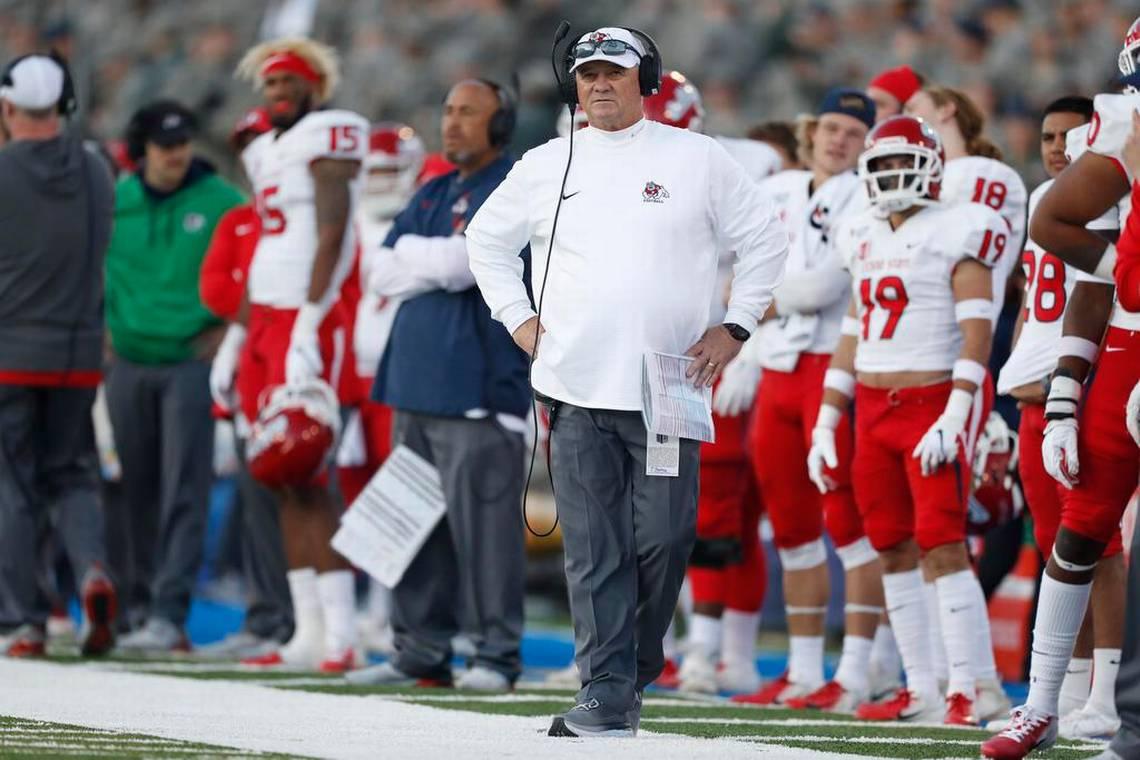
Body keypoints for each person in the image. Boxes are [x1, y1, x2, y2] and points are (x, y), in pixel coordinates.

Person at [466, 25, 789, 736]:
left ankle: (634, 662)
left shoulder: (697, 157)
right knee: (594, 550)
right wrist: (519, 320)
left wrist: (735, 326)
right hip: (574, 387)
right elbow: (486, 243)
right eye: (587, 75)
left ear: (646, 81)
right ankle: (607, 688)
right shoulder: (547, 162)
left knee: (667, 539)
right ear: (573, 86)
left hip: (669, 383)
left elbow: (766, 238)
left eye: (614, 73)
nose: (599, 85)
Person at [819, 115, 1009, 725]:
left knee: (944, 545)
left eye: (906, 162)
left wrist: (958, 412)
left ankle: (971, 688)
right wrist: (828, 417)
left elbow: (978, 333)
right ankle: (921, 685)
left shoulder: (960, 227)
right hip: (872, 411)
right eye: (883, 165)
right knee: (892, 546)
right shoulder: (861, 232)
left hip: (930, 400)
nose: (895, 176)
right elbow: (853, 329)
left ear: (931, 167)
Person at [983, 19, 1140, 757]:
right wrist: (1069, 389)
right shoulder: (1125, 132)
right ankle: (1043, 704)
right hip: (1127, 349)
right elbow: (1059, 228)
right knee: (1082, 525)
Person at [345, 78, 529, 693]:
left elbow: (464, 265)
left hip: (478, 388)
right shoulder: (433, 189)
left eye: (468, 113)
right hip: (415, 384)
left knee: (483, 537)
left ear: (500, 125)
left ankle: (494, 654)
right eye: (447, 110)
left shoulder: (513, 187)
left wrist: (433, 260)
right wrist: (440, 259)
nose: (452, 123)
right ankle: (419, 649)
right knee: (411, 524)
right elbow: (383, 268)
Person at [720, 88, 891, 713]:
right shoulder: (779, 190)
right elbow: (739, 270)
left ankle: (855, 671)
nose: (838, 138)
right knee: (792, 528)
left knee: (849, 523)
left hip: (835, 364)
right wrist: (759, 331)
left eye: (852, 130)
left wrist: (759, 310)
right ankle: (801, 670)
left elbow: (826, 285)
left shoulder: (868, 193)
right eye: (830, 127)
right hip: (783, 365)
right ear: (810, 130)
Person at [224, 37, 367, 673]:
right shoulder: (265, 146)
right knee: (276, 474)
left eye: (289, 86)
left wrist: (312, 317)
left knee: (308, 468)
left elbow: (333, 232)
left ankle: (341, 632)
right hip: (264, 320)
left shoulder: (330, 136)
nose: (278, 97)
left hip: (308, 316)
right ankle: (306, 630)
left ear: (314, 87)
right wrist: (238, 334)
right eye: (271, 88)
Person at [633, 69, 769, 696]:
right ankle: (668, 646)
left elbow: (766, 256)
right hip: (636, 368)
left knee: (706, 513)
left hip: (699, 369)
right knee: (646, 516)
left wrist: (747, 338)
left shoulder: (726, 171)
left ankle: (709, 653)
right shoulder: (604, 167)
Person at [904, 83, 1029, 721]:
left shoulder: (980, 176)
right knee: (926, 530)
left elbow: (982, 259)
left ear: (948, 109)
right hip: (924, 354)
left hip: (968, 346)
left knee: (956, 524)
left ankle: (971, 679)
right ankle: (951, 677)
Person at [103, 99, 243, 653]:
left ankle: (168, 612)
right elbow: (88, 260)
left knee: (185, 488)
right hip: (128, 362)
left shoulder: (222, 202)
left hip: (190, 360)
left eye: (182, 143)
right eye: (164, 146)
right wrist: (101, 326)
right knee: (130, 489)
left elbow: (257, 263)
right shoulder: (117, 199)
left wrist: (228, 329)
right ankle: (134, 606)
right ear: (142, 150)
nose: (176, 154)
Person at [0, 52, 117, 658]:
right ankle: (93, 569)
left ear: (8, 107)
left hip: (11, 353)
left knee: (14, 486)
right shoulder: (98, 169)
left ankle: (26, 620)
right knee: (74, 476)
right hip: (77, 356)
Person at [195, 106, 296, 661]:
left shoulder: (313, 217)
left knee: (305, 499)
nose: (257, 153)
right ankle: (269, 616)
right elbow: (213, 290)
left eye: (264, 140)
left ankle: (315, 621)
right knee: (259, 501)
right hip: (252, 369)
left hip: (300, 370)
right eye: (248, 145)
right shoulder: (239, 220)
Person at [339, 121, 424, 657]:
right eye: (373, 173)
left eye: (391, 172)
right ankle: (358, 612)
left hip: (401, 377)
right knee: (354, 496)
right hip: (352, 375)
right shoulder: (345, 225)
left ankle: (387, 612)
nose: (381, 183)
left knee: (401, 498)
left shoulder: (424, 219)